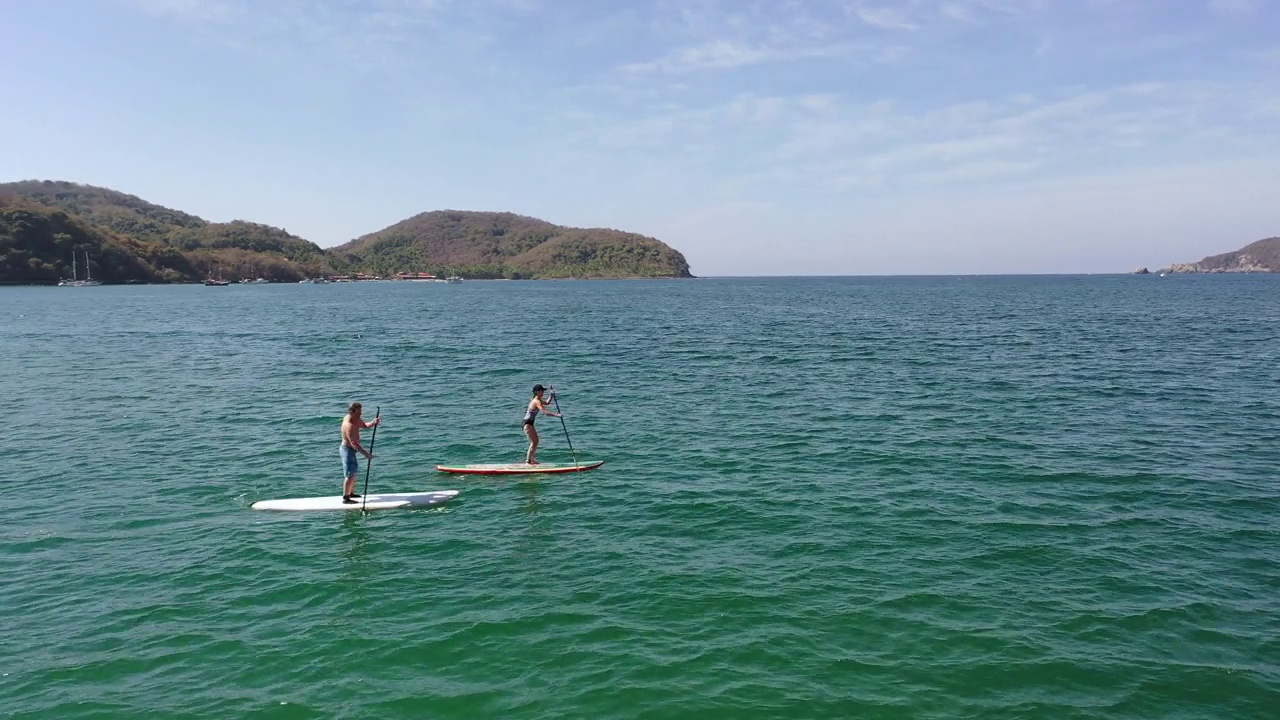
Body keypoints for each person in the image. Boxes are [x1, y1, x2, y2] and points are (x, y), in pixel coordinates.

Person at [340, 402, 380, 503]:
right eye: (358, 413)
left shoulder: (356, 419)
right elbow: (353, 443)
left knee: (354, 472)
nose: (360, 414)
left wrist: (373, 423)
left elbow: (364, 425)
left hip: (351, 450)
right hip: (347, 450)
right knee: (350, 473)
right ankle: (346, 497)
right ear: (352, 412)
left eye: (360, 412)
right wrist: (366, 454)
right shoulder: (349, 424)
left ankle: (351, 493)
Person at [522, 384, 561, 464]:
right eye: (542, 391)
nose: (543, 392)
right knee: (534, 442)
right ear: (537, 392)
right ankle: (528, 461)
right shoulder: (536, 401)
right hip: (527, 424)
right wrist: (557, 415)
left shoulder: (538, 400)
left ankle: (531, 460)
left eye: (543, 391)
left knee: (536, 441)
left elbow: (547, 403)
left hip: (530, 423)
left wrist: (551, 396)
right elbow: (545, 412)